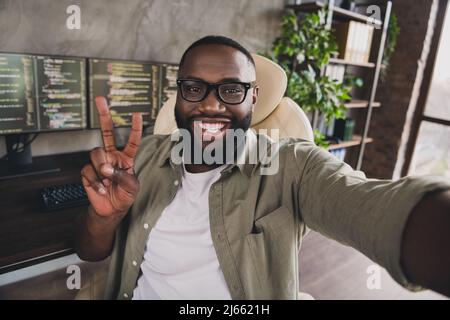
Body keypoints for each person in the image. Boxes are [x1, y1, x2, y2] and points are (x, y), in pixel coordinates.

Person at [75, 35, 450, 300]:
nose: (210, 105)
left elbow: (375, 208)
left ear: (253, 97)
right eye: (195, 88)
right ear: (179, 93)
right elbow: (90, 253)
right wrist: (106, 216)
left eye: (232, 90)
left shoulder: (291, 166)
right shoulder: (144, 158)